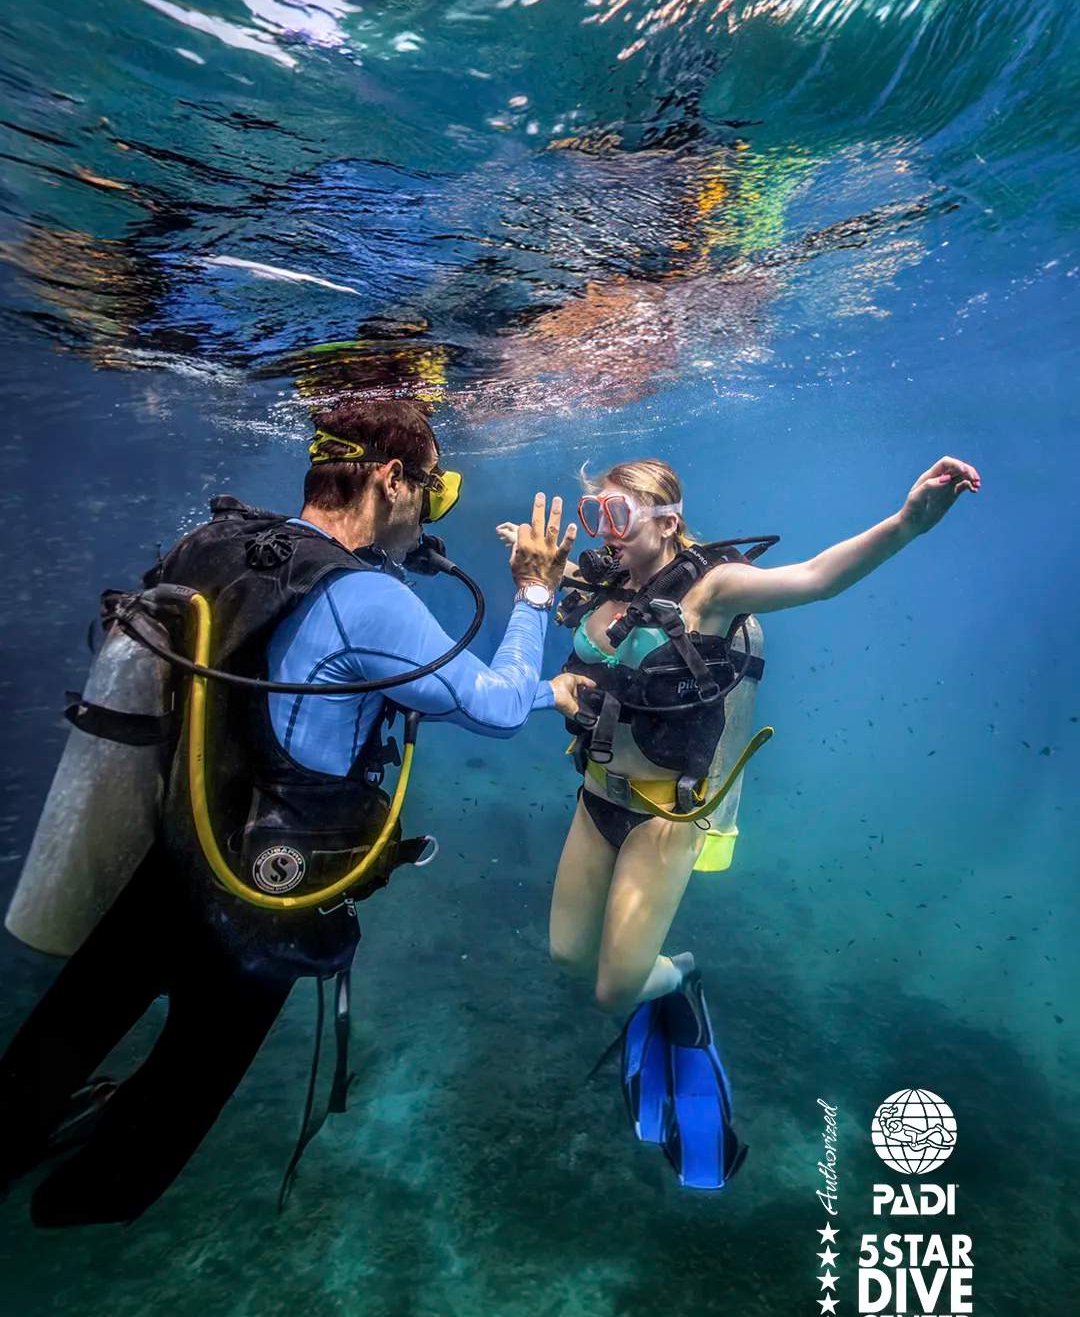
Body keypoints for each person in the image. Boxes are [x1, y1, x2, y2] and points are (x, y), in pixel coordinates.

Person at [0, 397, 587, 1227]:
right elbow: (488, 706)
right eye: (434, 490)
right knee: (167, 1115)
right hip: (265, 899)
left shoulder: (226, 545)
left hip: (171, 853)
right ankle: (78, 1203)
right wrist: (532, 595)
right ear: (390, 480)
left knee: (53, 1046)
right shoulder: (365, 601)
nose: (432, 511)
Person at [501, 451, 981, 1188]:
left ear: (668, 522)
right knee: (567, 959)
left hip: (666, 817)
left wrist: (908, 523)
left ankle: (679, 976)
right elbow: (564, 634)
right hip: (598, 797)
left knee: (611, 992)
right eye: (597, 514)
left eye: (617, 516)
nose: (605, 531)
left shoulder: (713, 589)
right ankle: (651, 972)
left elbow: (819, 577)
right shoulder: (594, 580)